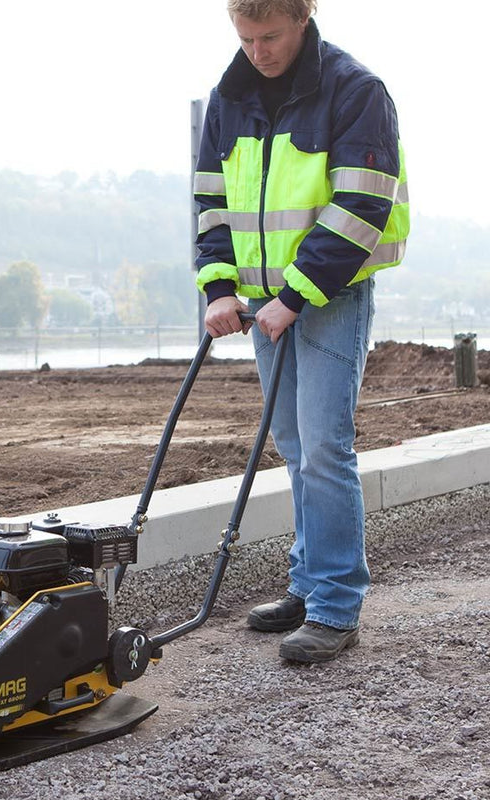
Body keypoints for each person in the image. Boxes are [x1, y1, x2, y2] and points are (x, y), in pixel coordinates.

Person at [194, 0, 409, 662]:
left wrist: (293, 296)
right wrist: (218, 286)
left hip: (329, 296)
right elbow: (210, 202)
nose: (258, 49)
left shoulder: (354, 90)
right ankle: (310, 582)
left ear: (303, 18)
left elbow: (362, 204)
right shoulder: (228, 98)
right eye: (246, 36)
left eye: (271, 36)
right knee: (291, 444)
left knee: (324, 447)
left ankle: (337, 606)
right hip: (263, 303)